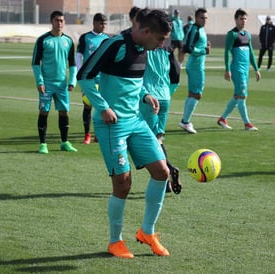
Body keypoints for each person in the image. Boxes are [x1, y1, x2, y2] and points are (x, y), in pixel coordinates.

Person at [77, 9, 172, 259]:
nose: (162, 44)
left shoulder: (145, 49)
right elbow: (84, 76)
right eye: (160, 39)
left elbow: (134, 81)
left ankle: (147, 232)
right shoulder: (115, 44)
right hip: (112, 125)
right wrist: (104, 107)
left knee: (162, 172)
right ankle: (115, 241)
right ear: (147, 32)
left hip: (136, 121)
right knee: (123, 183)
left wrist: (145, 95)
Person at [139, 38, 182, 195]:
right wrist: (168, 92)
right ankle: (165, 184)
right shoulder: (167, 47)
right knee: (158, 139)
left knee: (147, 142)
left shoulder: (144, 46)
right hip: (165, 96)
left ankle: (169, 169)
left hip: (149, 98)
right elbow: (176, 72)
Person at [31, 10, 78, 154]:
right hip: (47, 83)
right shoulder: (43, 40)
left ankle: (64, 142)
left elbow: (72, 64)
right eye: (57, 20)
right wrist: (40, 82)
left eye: (62, 20)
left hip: (62, 84)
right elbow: (35, 63)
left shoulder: (68, 41)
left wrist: (72, 81)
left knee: (64, 112)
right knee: (44, 112)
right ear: (52, 22)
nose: (60, 23)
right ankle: (43, 144)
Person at [217, 8, 261, 131]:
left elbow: (251, 52)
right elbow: (226, 52)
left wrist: (256, 69)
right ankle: (247, 124)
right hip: (237, 69)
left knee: (237, 96)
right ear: (236, 19)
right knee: (242, 96)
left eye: (245, 19)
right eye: (241, 19)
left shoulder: (247, 35)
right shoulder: (232, 34)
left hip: (245, 70)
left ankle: (222, 118)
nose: (243, 21)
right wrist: (227, 69)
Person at [76, 13, 109, 144]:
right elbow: (78, 56)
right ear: (95, 23)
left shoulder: (107, 39)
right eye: (101, 23)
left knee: (102, 107)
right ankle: (87, 134)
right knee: (87, 105)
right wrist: (80, 73)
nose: (103, 26)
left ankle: (98, 134)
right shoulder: (86, 38)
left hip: (102, 79)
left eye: (105, 24)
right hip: (88, 78)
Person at [178, 8, 210, 134]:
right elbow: (188, 48)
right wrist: (203, 51)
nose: (204, 20)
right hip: (196, 66)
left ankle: (185, 120)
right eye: (202, 17)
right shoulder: (195, 29)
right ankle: (185, 121)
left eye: (206, 18)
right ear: (196, 18)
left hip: (197, 65)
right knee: (197, 94)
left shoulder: (200, 29)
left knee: (192, 94)